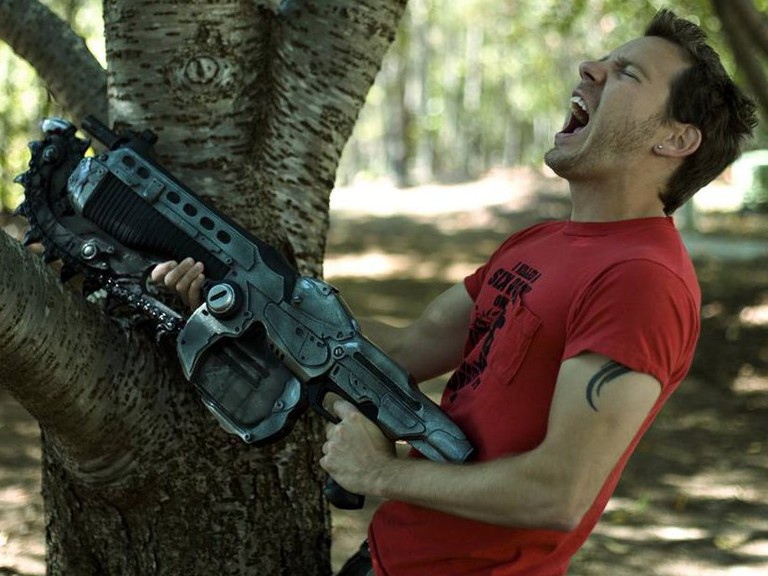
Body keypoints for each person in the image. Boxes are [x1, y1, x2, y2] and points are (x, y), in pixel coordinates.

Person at [152, 9, 757, 576]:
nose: (590, 68)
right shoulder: (538, 243)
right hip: (388, 557)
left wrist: (380, 474)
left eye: (626, 73)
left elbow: (559, 493)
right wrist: (244, 296)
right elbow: (400, 350)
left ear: (676, 140)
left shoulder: (643, 280)